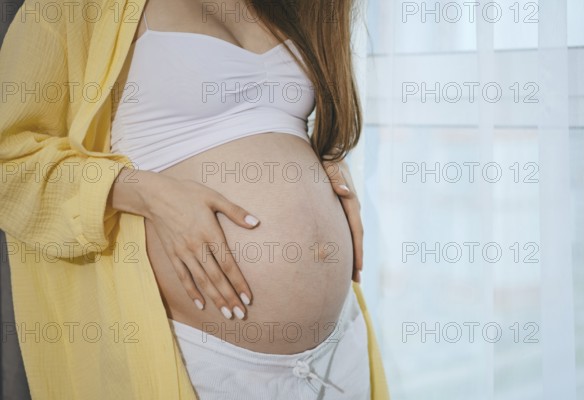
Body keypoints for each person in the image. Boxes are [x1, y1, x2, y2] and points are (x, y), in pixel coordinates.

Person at [0, 0, 390, 398]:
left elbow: (288, 122)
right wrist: (149, 194)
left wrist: (325, 163)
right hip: (198, 355)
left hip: (338, 350)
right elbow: (8, 159)